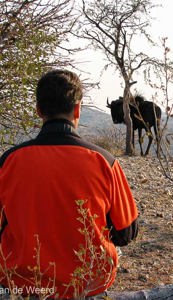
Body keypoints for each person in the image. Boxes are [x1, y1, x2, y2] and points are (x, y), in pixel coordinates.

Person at [0, 69, 138, 298]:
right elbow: (126, 233)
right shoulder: (105, 162)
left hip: (22, 284)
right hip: (87, 284)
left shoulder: (8, 161)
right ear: (77, 109)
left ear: (38, 110)